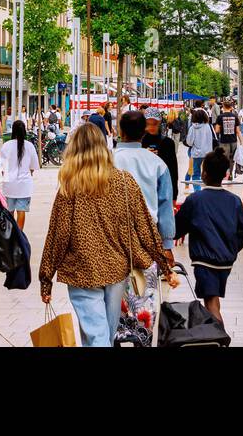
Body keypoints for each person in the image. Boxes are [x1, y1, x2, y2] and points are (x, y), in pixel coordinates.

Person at [38, 123, 176, 347]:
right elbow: (146, 227)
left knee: (97, 336)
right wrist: (164, 263)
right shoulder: (124, 182)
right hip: (116, 270)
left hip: (82, 271)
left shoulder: (70, 188)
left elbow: (57, 236)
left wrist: (46, 279)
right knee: (103, 336)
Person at [174, 149, 243, 326]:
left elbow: (178, 228)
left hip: (204, 261)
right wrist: (230, 248)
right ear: (225, 174)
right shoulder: (234, 201)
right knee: (213, 299)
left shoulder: (195, 200)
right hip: (226, 262)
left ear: (204, 173)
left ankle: (219, 337)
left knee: (211, 303)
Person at [113, 110, 176, 256]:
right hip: (147, 236)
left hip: (112, 237)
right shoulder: (158, 164)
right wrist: (167, 245)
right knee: (146, 278)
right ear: (143, 132)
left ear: (121, 131)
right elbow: (165, 206)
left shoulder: (106, 161)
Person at [0, 119, 40, 230]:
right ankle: (19, 235)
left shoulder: (6, 146)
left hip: (9, 185)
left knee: (10, 211)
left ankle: (11, 234)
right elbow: (33, 167)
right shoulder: (30, 146)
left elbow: (3, 169)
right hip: (24, 185)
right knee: (21, 211)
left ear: (13, 131)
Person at [141, 112, 179, 203]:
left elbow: (173, 170)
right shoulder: (139, 143)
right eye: (148, 124)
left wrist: (174, 195)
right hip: (143, 192)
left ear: (159, 123)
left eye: (154, 123)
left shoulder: (168, 143)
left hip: (162, 189)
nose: (151, 127)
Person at [184, 107, 215, 191]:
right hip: (208, 154)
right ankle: (208, 190)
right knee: (208, 173)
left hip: (196, 154)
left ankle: (197, 190)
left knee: (196, 174)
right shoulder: (208, 126)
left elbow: (189, 142)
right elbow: (212, 139)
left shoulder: (192, 128)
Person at [215, 101, 240, 177]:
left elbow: (217, 130)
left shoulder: (220, 117)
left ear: (223, 106)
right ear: (231, 107)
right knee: (232, 159)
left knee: (224, 159)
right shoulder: (235, 116)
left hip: (224, 141)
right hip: (233, 141)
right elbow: (238, 131)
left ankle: (225, 174)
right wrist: (242, 141)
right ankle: (230, 174)